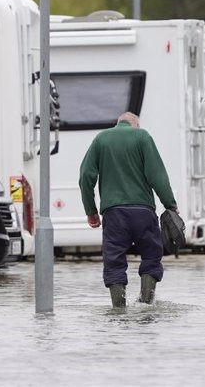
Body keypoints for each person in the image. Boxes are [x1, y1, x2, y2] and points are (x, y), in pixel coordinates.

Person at [78, 112, 178, 308]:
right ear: (136, 124)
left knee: (113, 259)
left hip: (113, 214)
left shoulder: (101, 139)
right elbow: (157, 175)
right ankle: (146, 304)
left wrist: (91, 211)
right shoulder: (142, 136)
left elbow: (85, 177)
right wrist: (170, 205)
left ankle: (118, 309)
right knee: (151, 254)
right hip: (143, 211)